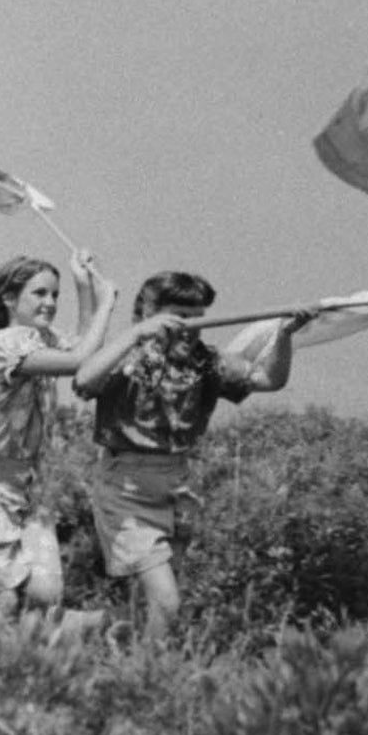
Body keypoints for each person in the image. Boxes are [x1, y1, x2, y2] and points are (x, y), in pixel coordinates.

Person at [74, 271, 311, 640]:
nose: (190, 327)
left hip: (176, 488)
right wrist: (138, 332)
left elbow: (269, 380)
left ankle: (65, 626)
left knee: (149, 606)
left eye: (197, 316)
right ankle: (148, 676)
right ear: (149, 313)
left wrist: (285, 333)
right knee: (167, 603)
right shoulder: (128, 354)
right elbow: (84, 381)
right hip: (126, 487)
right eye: (179, 316)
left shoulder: (206, 361)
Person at [0, 253, 117, 618]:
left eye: (55, 295)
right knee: (2, 598)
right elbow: (78, 362)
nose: (50, 303)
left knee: (46, 592)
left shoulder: (41, 339)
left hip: (27, 485)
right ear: (10, 298)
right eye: (39, 293)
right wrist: (106, 305)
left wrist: (83, 285)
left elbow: (82, 349)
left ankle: (19, 653)